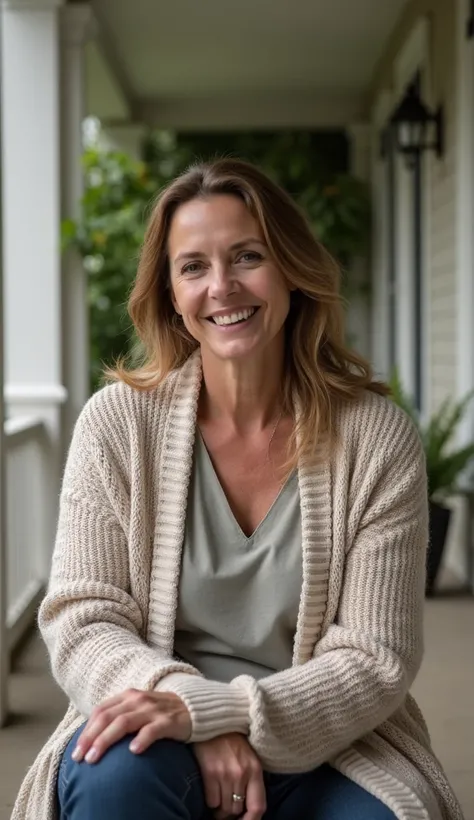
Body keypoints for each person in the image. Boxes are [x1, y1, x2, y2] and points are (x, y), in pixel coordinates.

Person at [12, 159, 464, 820]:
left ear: (290, 268)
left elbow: (376, 656)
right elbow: (83, 616)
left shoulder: (376, 438)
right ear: (169, 292)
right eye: (193, 266)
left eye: (247, 256)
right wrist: (186, 708)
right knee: (109, 786)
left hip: (330, 740)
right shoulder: (117, 426)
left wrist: (225, 713)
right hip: (151, 725)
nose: (222, 287)